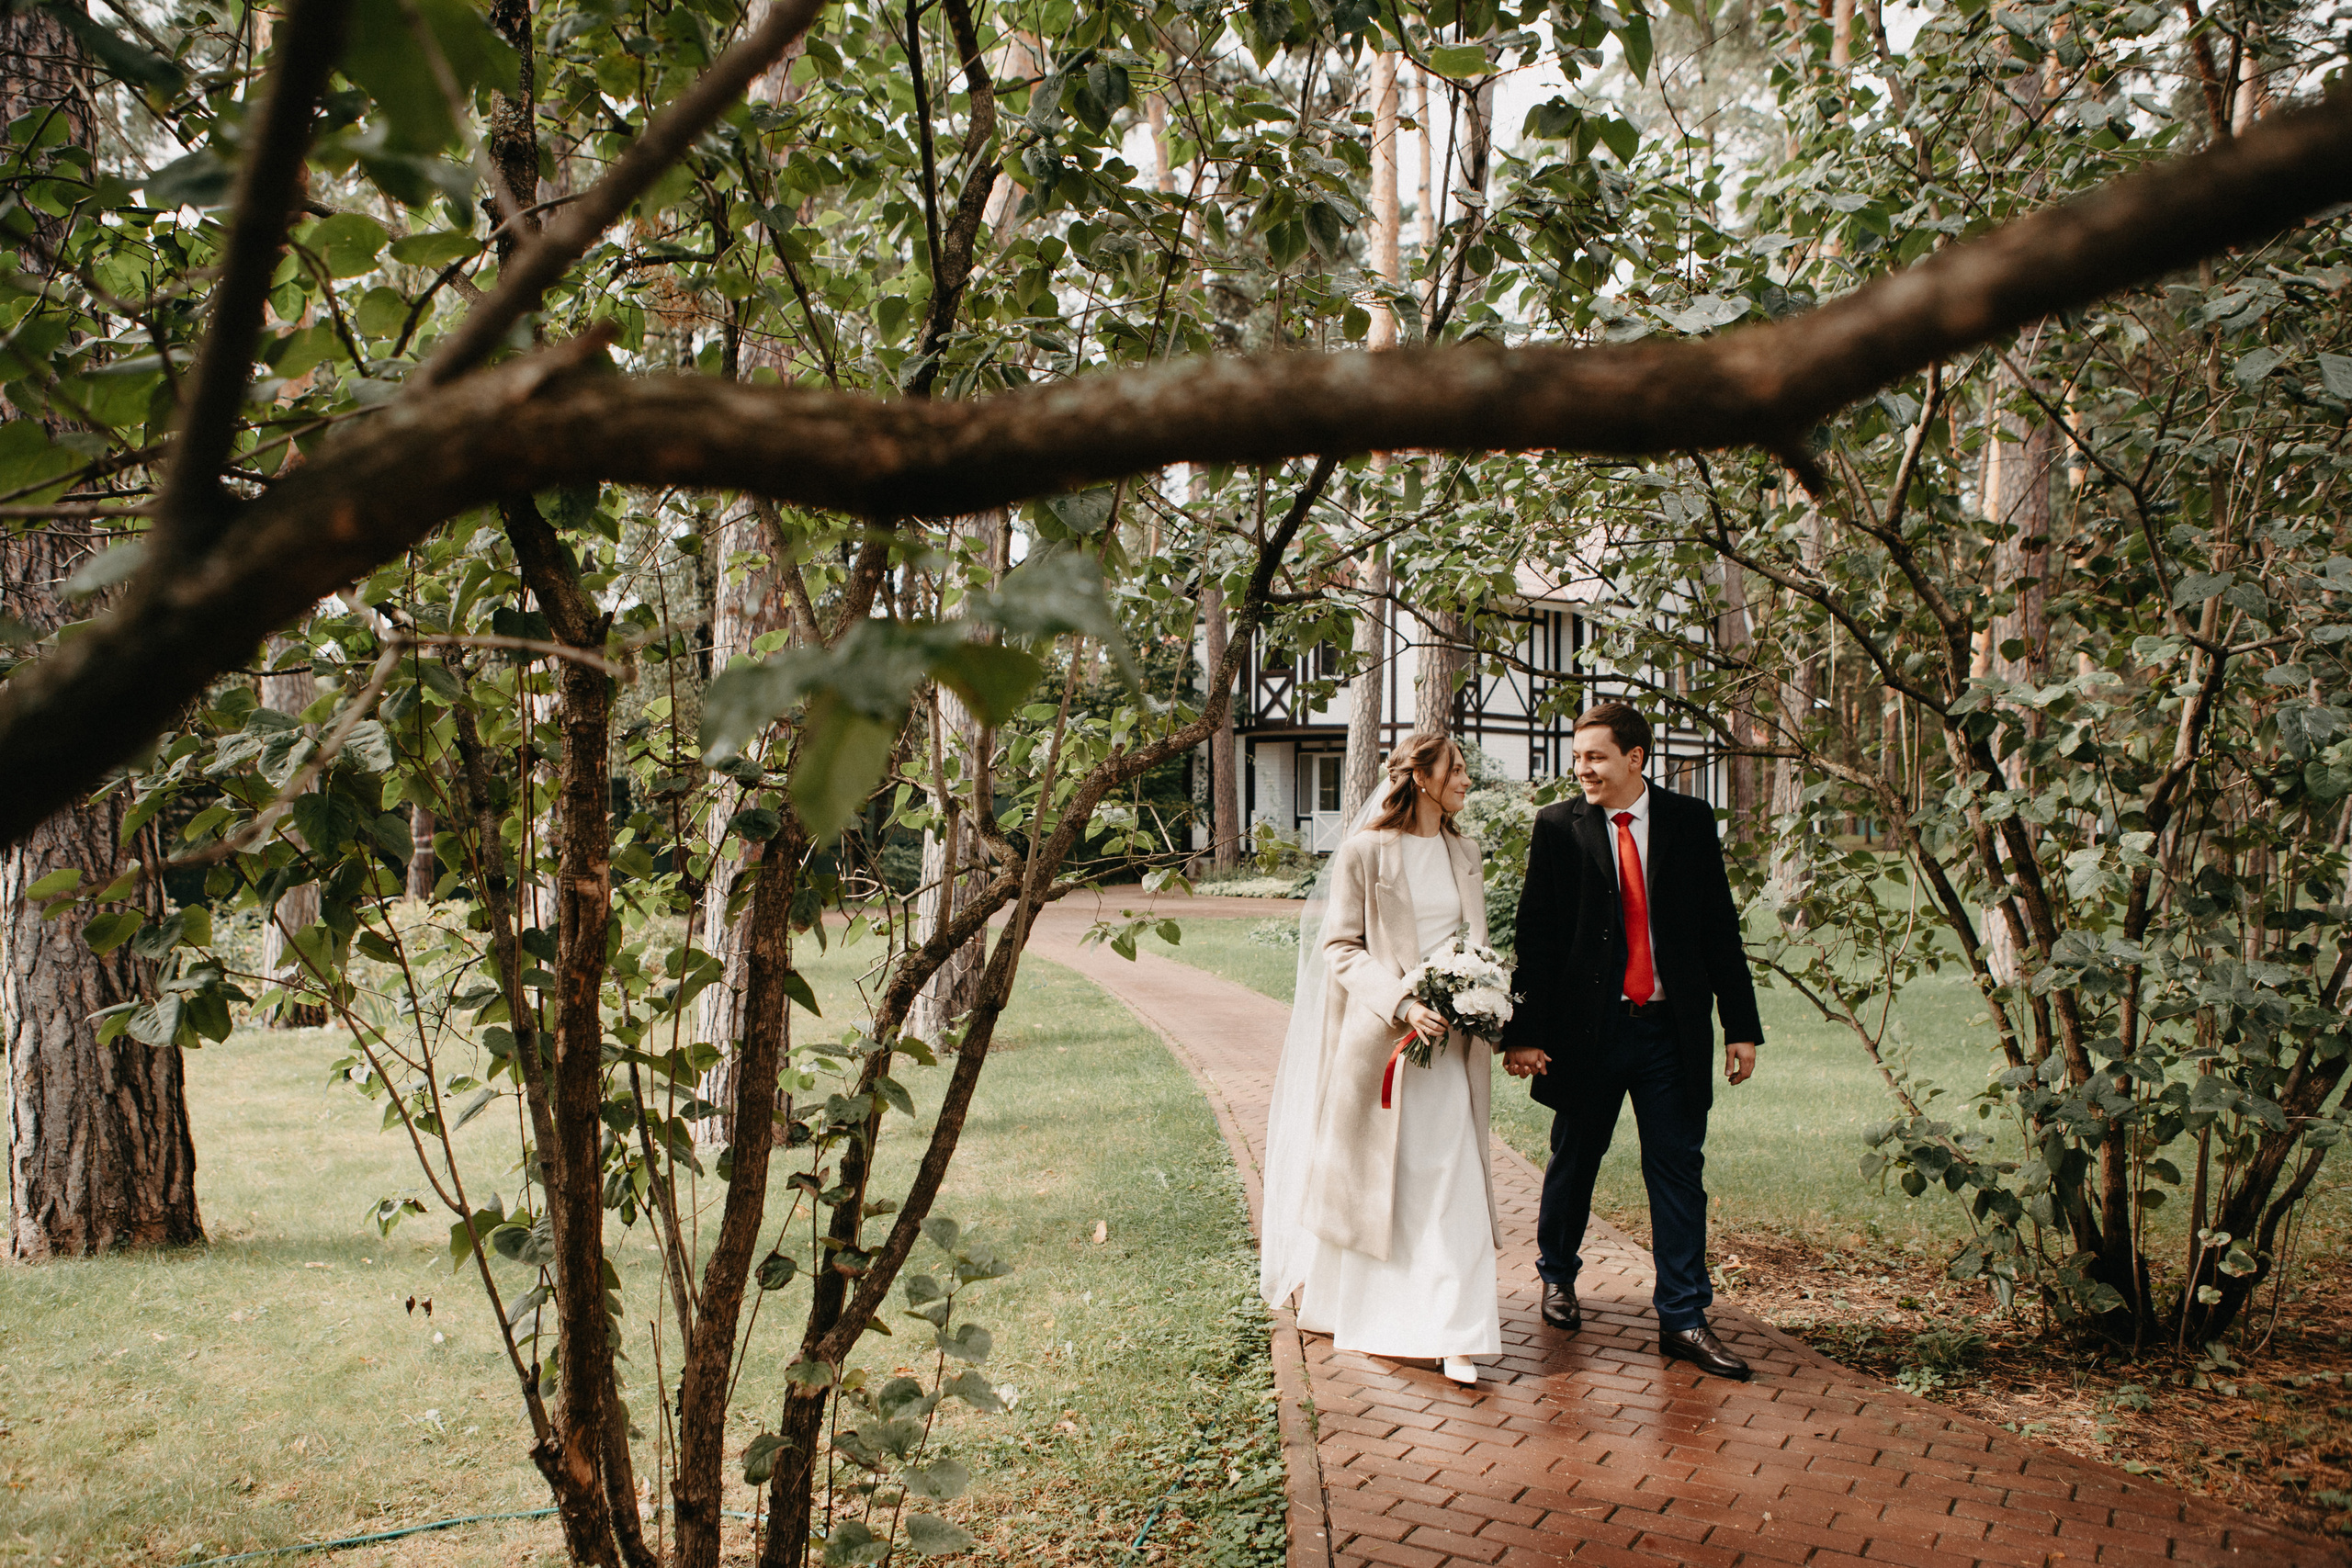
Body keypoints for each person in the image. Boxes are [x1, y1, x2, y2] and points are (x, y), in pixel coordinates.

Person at [1500, 702, 1763, 1381]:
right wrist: (1525, 1031)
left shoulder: (1688, 822)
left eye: (1595, 756)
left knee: (1678, 1170)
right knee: (1575, 1159)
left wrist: (1741, 1025)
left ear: (1635, 759)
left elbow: (1718, 930)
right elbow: (1536, 936)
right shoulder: (1558, 827)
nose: (1581, 767)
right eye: (1578, 756)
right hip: (1588, 1033)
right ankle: (1557, 1274)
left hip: (1669, 1034)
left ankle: (1683, 1316)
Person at [1258, 732, 1502, 1386]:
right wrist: (1402, 1002)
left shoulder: (1466, 852)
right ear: (1422, 777)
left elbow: (1475, 944)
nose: (1466, 780)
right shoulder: (1367, 852)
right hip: (1384, 1045)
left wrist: (1480, 995)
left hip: (1452, 1051)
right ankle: (1362, 1307)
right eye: (1457, 769)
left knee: (1451, 1176)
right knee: (1382, 1180)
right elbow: (1340, 947)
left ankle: (1458, 1332)